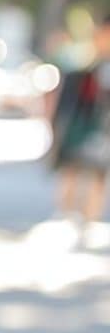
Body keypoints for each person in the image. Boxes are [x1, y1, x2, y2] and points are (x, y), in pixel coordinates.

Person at [51, 18, 110, 230]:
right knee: (71, 169)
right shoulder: (83, 62)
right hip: (79, 124)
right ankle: (65, 215)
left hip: (102, 127)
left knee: (97, 174)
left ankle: (89, 219)